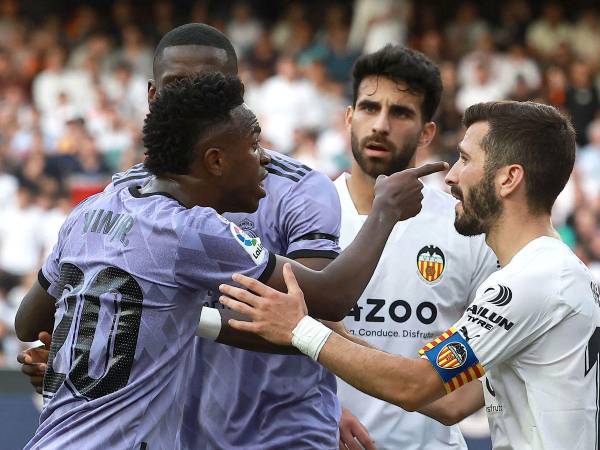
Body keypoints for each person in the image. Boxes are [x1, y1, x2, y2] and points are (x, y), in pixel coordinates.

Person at [15, 72, 446, 448]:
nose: (264, 159)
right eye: (254, 144)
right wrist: (385, 210)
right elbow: (331, 296)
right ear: (216, 160)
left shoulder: (94, 209)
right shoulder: (195, 230)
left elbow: (27, 321)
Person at [20, 23, 343, 449]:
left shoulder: (297, 187)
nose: (191, 98)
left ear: (236, 96)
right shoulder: (132, 200)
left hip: (275, 436)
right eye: (177, 86)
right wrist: (80, 351)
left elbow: (315, 317)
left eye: (210, 86)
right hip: (171, 433)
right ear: (153, 95)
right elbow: (43, 323)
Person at [220, 100, 600, 450]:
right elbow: (449, 401)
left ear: (508, 179)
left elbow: (416, 384)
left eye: (465, 160)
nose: (451, 177)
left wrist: (299, 329)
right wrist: (334, 333)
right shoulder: (553, 271)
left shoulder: (531, 280)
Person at [333, 45, 497, 449]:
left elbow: (491, 359)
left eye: (401, 112)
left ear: (427, 132)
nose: (381, 125)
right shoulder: (307, 216)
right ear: (349, 117)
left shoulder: (465, 227)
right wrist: (321, 408)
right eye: (370, 108)